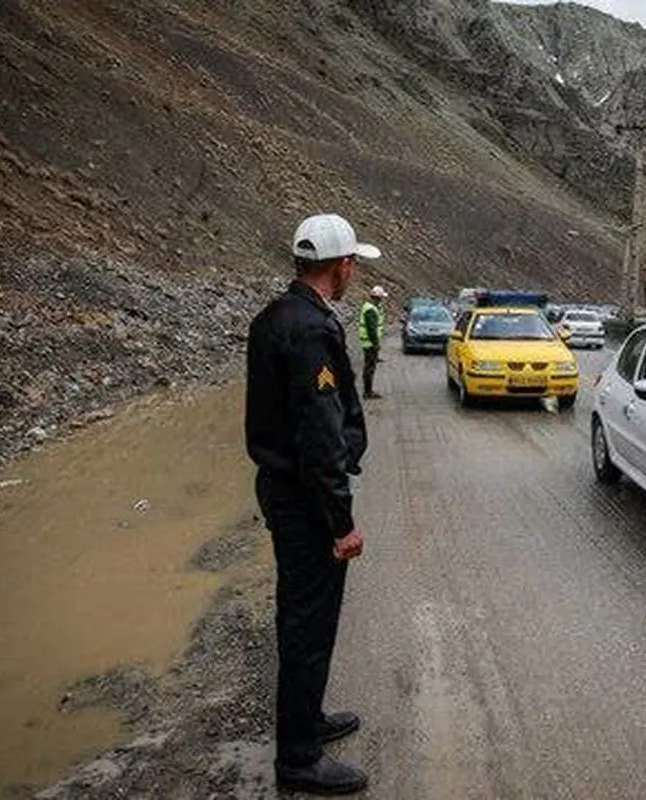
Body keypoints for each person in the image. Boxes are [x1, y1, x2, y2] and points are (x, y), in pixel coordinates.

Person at [245, 212, 380, 795]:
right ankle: (297, 759)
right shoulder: (309, 331)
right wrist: (342, 521)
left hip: (287, 490)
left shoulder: (276, 316)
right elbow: (319, 437)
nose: (354, 272)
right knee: (308, 624)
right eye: (353, 263)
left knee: (305, 619)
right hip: (305, 500)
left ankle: (309, 720)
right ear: (342, 265)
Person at [358, 285, 387, 398]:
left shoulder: (369, 307)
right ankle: (367, 391)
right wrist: (376, 344)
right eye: (381, 297)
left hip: (368, 343)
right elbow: (371, 329)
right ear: (377, 298)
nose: (382, 300)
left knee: (369, 366)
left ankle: (368, 390)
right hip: (370, 343)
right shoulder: (371, 310)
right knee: (370, 367)